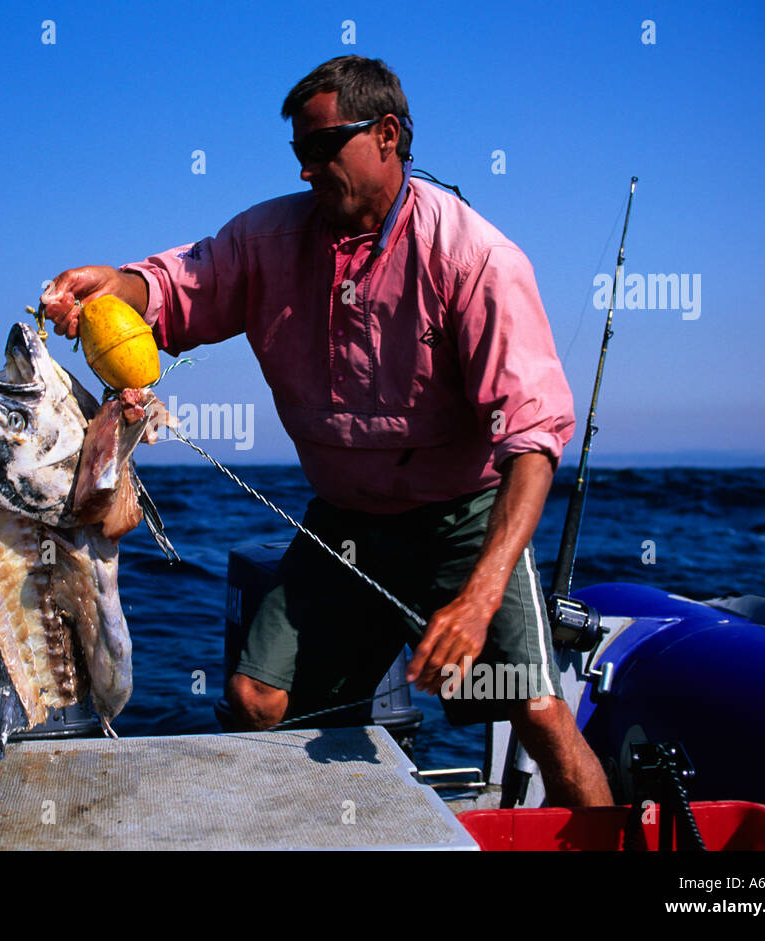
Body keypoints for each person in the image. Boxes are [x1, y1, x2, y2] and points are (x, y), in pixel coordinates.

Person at [44, 55, 613, 806]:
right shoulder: (270, 239)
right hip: (346, 524)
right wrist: (113, 286)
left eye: (322, 148)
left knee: (534, 711)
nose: (308, 172)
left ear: (387, 135)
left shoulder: (475, 258)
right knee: (255, 697)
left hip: (464, 524)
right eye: (298, 155)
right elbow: (184, 283)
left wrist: (477, 600)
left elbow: (533, 446)